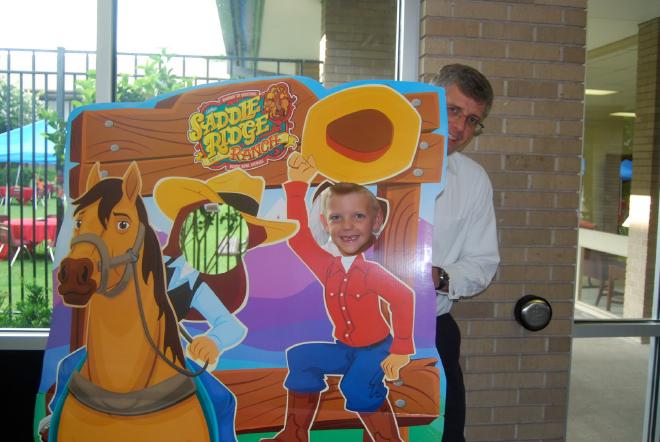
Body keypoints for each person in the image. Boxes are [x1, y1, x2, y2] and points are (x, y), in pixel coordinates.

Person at [263, 152, 415, 442]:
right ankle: (294, 434)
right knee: (301, 356)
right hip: (345, 348)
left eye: (358, 216)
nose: (347, 226)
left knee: (356, 386)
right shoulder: (328, 267)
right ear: (325, 223)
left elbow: (404, 298)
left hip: (376, 350)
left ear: (375, 221)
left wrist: (401, 349)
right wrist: (297, 186)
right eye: (337, 218)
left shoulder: (370, 272)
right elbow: (298, 239)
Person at [430, 64, 500, 442]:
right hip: (353, 328)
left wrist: (440, 277)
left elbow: (483, 263)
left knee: (444, 434)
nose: (459, 127)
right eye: (453, 110)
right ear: (428, 100)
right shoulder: (371, 163)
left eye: (472, 120)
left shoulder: (473, 180)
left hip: (433, 329)